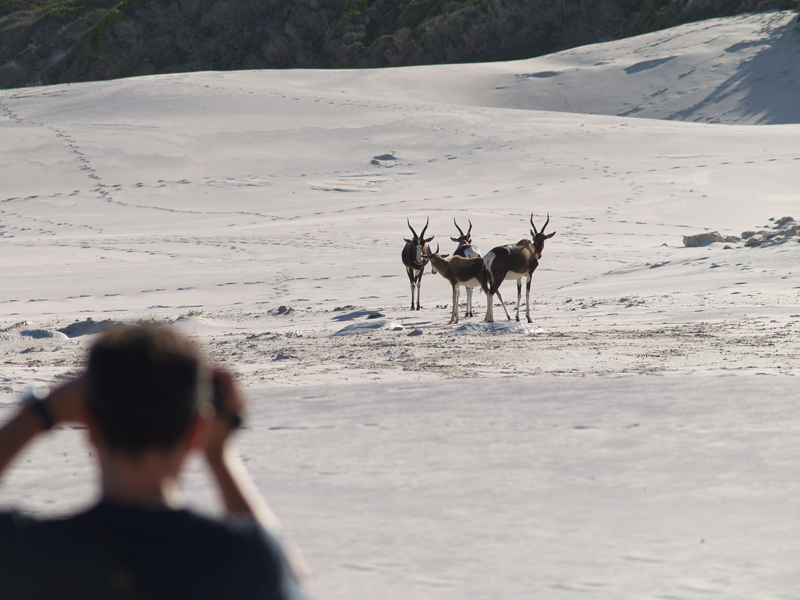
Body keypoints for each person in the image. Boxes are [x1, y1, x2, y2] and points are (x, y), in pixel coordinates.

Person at [0, 326, 308, 600]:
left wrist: (42, 413)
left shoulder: (34, 555)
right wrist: (220, 455)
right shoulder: (241, 558)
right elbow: (286, 579)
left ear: (90, 427)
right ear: (197, 431)